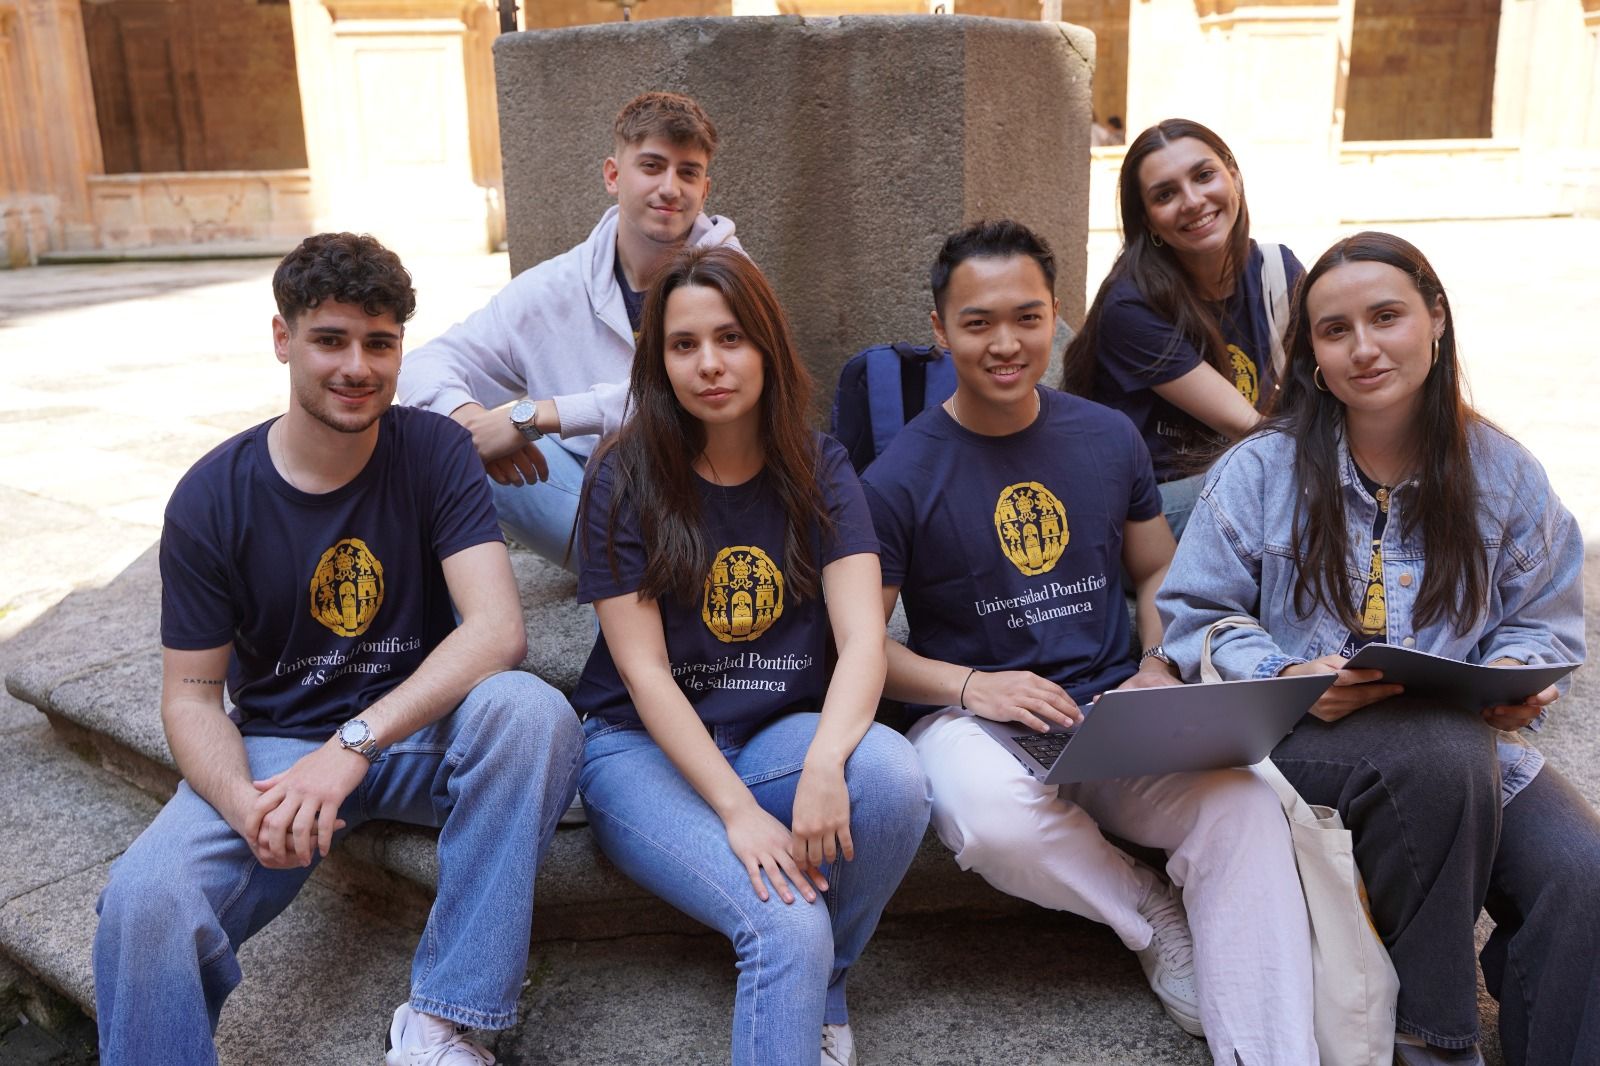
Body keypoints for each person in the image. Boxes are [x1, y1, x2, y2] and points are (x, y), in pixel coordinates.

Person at [93, 233, 584, 1066]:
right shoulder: (214, 497)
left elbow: (498, 630)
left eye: (379, 342)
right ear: (283, 339)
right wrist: (247, 806)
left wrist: (356, 744)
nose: (357, 366)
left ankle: (441, 1024)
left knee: (531, 712)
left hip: (422, 732)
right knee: (144, 900)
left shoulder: (432, 451)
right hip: (281, 751)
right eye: (330, 339)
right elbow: (189, 696)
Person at [862, 220, 1315, 1064]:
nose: (1007, 343)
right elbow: (861, 646)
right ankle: (1148, 915)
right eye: (978, 322)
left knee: (1245, 808)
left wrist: (1156, 666)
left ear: (1056, 315)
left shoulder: (1108, 438)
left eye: (1028, 318)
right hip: (979, 720)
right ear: (938, 328)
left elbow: (1156, 576)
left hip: (1112, 706)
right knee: (990, 822)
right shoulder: (898, 477)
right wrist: (970, 687)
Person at [1159, 231, 1598, 1066]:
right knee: (1443, 749)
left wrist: (1516, 676)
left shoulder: (1505, 474)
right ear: (1314, 357)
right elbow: (1192, 617)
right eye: (1334, 331)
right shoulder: (1262, 470)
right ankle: (1432, 1042)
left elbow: (1541, 621)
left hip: (1464, 752)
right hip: (1296, 746)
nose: (1364, 348)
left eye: (1387, 316)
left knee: (1582, 872)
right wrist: (1286, 673)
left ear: (1435, 320)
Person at [570, 246, 931, 1066]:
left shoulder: (820, 466)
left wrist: (829, 759)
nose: (709, 364)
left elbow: (865, 640)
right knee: (785, 919)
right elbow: (645, 673)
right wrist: (737, 813)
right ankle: (803, 975)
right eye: (684, 344)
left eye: (730, 338)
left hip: (776, 734)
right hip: (640, 750)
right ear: (658, 362)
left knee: (893, 776)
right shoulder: (623, 476)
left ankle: (820, 985)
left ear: (767, 344)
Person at [397, 91, 742, 570]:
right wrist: (471, 422)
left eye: (687, 172)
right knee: (447, 448)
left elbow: (681, 398)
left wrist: (537, 415)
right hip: (591, 507)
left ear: (705, 190)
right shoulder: (556, 285)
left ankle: (647, 578)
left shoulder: (731, 280)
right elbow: (424, 363)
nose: (670, 188)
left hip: (713, 511)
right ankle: (455, 626)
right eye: (651, 166)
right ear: (613, 175)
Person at [1061, 118, 1302, 539]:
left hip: (1236, 475)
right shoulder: (1131, 305)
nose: (1192, 201)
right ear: (1149, 221)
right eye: (1165, 194)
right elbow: (1247, 427)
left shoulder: (1276, 272)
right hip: (1147, 506)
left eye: (1204, 175)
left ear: (1235, 179)